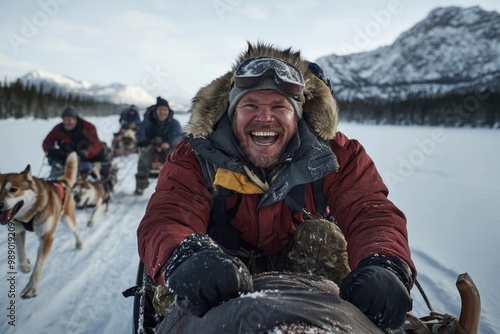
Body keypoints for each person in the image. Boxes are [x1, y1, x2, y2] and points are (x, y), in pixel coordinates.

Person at [137, 42, 415, 331]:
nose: (264, 118)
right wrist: (186, 256)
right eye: (251, 105)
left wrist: (386, 263)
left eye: (279, 106)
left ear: (297, 115)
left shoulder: (338, 156)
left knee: (323, 235)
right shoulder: (195, 157)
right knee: (183, 271)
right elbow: (168, 215)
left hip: (304, 272)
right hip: (221, 271)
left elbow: (369, 210)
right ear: (232, 112)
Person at [42, 106, 113, 188]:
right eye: (64, 120)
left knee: (99, 173)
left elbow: (96, 144)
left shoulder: (88, 127)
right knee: (56, 169)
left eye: (69, 120)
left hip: (89, 158)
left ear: (75, 119)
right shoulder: (58, 129)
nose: (66, 122)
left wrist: (86, 152)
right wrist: (51, 150)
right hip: (68, 157)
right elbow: (47, 142)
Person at [134, 96, 182, 195]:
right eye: (160, 109)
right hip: (151, 145)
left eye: (165, 110)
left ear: (168, 111)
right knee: (143, 159)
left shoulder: (174, 123)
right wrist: (149, 142)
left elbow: (177, 136)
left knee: (175, 162)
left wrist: (168, 143)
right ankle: (140, 186)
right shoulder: (148, 121)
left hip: (167, 147)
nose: (162, 112)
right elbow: (139, 133)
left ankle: (174, 187)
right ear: (156, 110)